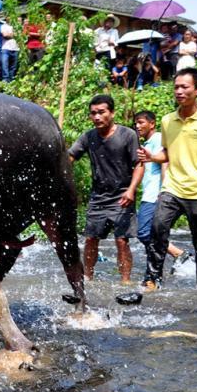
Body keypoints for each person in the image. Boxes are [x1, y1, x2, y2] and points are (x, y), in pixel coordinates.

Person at [140, 68, 197, 290]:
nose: (179, 91)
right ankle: (152, 280)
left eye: (184, 87)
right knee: (157, 229)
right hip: (172, 188)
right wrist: (152, 157)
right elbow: (167, 154)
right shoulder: (168, 120)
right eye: (176, 87)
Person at [68, 94, 143, 284]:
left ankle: (125, 281)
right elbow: (70, 157)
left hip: (122, 196)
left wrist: (131, 190)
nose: (97, 117)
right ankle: (88, 278)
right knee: (91, 239)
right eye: (93, 113)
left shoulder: (128, 135)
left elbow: (139, 165)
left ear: (112, 113)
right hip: (98, 197)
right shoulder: (88, 137)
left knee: (121, 240)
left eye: (101, 112)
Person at [133, 111, 188, 272]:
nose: (137, 126)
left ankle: (178, 254)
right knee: (150, 233)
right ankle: (156, 272)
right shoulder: (147, 143)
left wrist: (164, 191)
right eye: (136, 123)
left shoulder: (157, 139)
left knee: (144, 232)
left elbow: (165, 163)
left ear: (152, 123)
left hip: (155, 195)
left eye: (141, 122)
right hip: (149, 194)